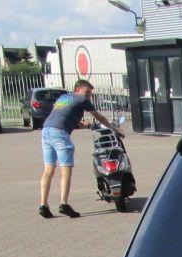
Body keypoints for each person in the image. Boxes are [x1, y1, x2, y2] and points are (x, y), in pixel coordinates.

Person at [38, 80, 122, 219]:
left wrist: (86, 126)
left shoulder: (63, 98)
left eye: (90, 93)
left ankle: (43, 205)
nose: (89, 96)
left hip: (46, 130)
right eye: (87, 92)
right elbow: (99, 117)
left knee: (48, 169)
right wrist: (116, 130)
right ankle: (63, 204)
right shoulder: (81, 99)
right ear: (78, 89)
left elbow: (63, 116)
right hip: (60, 134)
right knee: (66, 170)